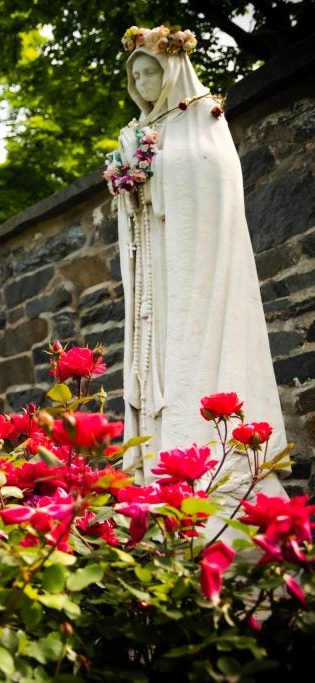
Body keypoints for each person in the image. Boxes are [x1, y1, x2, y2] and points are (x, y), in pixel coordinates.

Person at [106, 26, 289, 499]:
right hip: (155, 269)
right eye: (137, 76)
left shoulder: (202, 116)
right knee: (155, 355)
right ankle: (156, 467)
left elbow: (214, 178)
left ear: (171, 70)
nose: (145, 83)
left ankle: (205, 463)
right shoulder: (139, 131)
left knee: (193, 353)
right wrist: (130, 178)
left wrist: (152, 169)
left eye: (152, 72)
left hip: (194, 270)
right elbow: (135, 204)